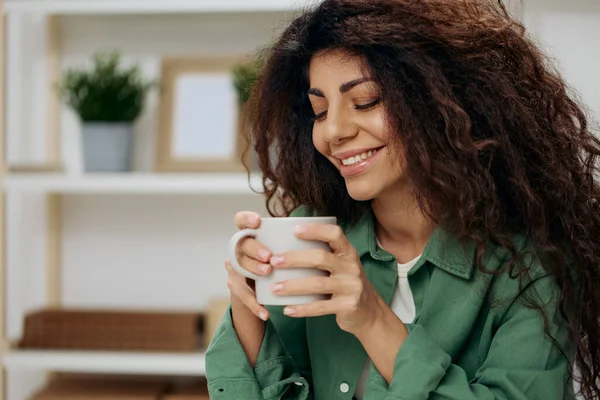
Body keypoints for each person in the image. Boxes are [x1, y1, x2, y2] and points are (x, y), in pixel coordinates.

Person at [205, 0, 600, 399]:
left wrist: (373, 319)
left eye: (366, 101)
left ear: (441, 101)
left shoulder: (529, 269)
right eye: (320, 111)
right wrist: (248, 307)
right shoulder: (317, 237)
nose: (334, 131)